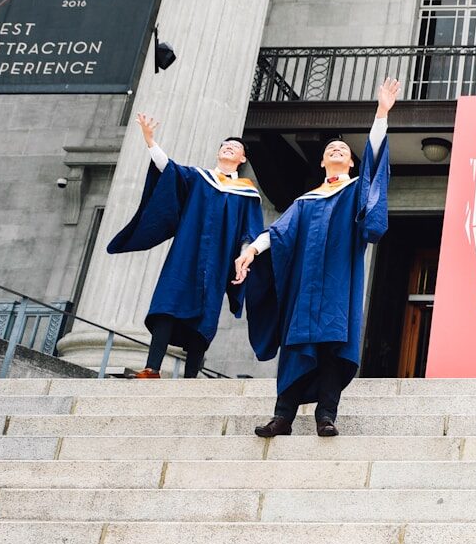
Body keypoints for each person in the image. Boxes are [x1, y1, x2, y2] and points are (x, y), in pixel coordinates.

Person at [233, 77, 398, 437]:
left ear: (351, 164)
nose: (337, 151)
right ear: (323, 162)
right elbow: (279, 233)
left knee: (330, 350)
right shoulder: (305, 201)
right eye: (331, 150)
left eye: (343, 150)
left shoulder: (357, 191)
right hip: (305, 291)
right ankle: (283, 417)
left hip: (338, 285)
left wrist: (381, 115)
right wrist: (251, 250)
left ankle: (326, 415)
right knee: (296, 348)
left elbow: (374, 166)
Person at [106, 115, 264, 379]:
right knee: (168, 302)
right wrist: (150, 141)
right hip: (186, 254)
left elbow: (250, 231)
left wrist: (244, 257)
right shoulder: (198, 178)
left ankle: (191, 378)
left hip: (218, 260)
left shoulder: (246, 192)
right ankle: (152, 368)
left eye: (235, 147)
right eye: (225, 145)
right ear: (218, 153)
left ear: (242, 159)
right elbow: (168, 168)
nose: (229, 148)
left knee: (205, 315)